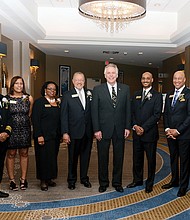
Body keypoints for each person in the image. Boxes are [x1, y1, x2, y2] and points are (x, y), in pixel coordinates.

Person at [91, 63, 131, 193]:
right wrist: (96, 129)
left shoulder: (125, 89)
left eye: (113, 73)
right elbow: (94, 111)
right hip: (103, 130)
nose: (111, 75)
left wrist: (127, 126)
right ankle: (103, 183)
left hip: (120, 129)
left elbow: (128, 110)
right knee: (102, 158)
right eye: (108, 73)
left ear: (117, 74)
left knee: (119, 157)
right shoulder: (97, 89)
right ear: (104, 75)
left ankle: (117, 182)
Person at [127, 72, 163, 193]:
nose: (145, 80)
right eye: (143, 78)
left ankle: (149, 183)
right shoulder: (136, 94)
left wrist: (144, 128)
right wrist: (136, 126)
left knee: (151, 159)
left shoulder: (157, 96)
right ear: (141, 80)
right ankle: (137, 180)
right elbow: (131, 113)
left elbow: (157, 115)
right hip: (136, 133)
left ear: (152, 80)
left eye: (148, 78)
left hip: (150, 134)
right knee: (137, 158)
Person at [61, 72, 93, 190]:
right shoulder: (67, 95)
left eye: (82, 80)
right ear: (73, 81)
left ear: (84, 82)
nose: (79, 82)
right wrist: (65, 132)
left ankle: (84, 178)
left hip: (88, 132)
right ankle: (71, 180)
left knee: (86, 157)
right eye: (77, 80)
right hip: (73, 132)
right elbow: (63, 115)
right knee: (73, 158)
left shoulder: (90, 93)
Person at [161, 70, 190, 197]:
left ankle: (183, 186)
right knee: (173, 158)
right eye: (174, 78)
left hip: (184, 135)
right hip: (170, 134)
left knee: (184, 161)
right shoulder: (169, 94)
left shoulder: (189, 94)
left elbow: (189, 116)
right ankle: (174, 181)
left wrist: (178, 131)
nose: (176, 81)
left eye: (179, 79)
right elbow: (166, 113)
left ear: (184, 80)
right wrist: (167, 129)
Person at [32, 81, 61, 191]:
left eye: (54, 89)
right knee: (43, 159)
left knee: (52, 158)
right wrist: (39, 135)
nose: (52, 91)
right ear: (45, 90)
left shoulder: (58, 103)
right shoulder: (39, 102)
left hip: (55, 137)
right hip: (43, 137)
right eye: (50, 89)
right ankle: (43, 180)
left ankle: (49, 178)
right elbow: (36, 120)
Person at [6, 76, 33, 190]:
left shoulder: (28, 98)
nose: (19, 86)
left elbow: (29, 113)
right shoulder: (6, 99)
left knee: (24, 153)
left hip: (25, 129)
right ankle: (12, 180)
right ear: (12, 85)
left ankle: (23, 179)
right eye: (16, 83)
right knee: (11, 154)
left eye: (21, 83)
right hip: (11, 130)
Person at [0, 94, 12, 197]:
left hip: (3, 138)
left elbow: (9, 118)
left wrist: (6, 132)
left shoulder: (3, 99)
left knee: (0, 164)